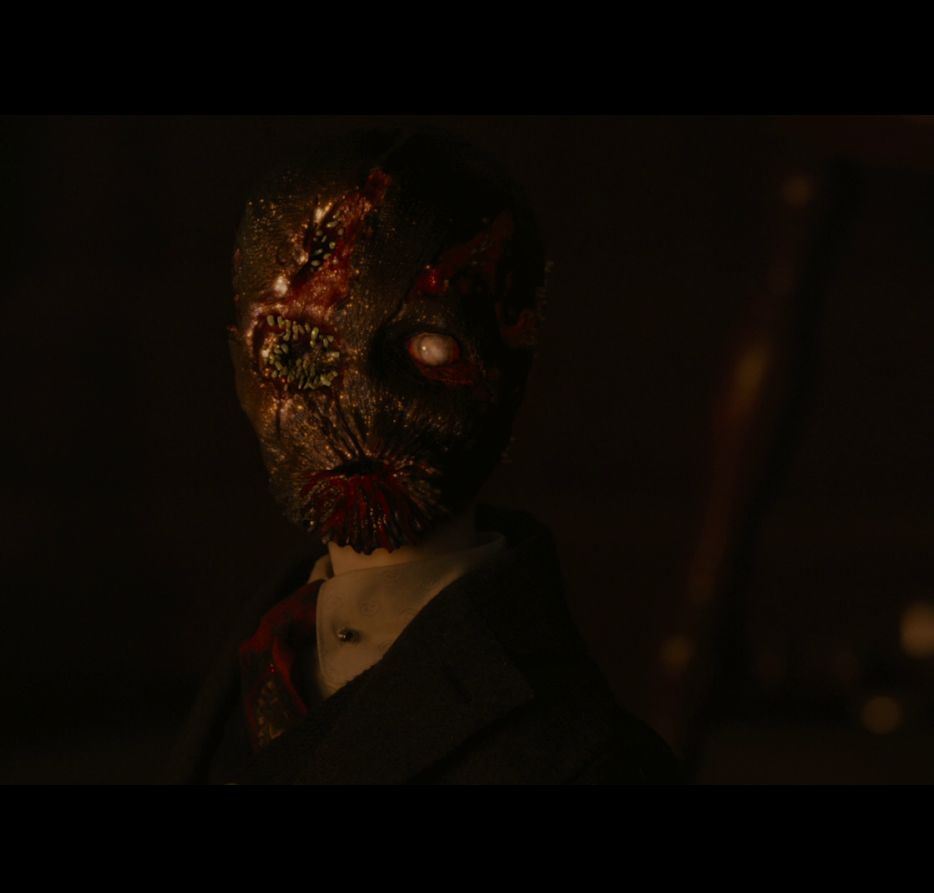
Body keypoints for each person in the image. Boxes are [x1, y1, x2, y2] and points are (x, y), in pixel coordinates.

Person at [166, 130, 679, 784]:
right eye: (299, 349)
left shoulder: (584, 759)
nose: (363, 404)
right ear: (241, 363)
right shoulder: (259, 656)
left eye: (429, 349)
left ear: (514, 370)